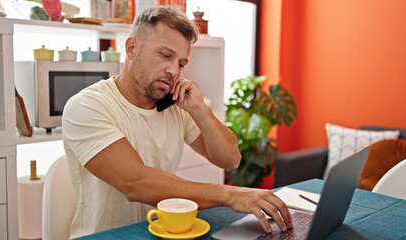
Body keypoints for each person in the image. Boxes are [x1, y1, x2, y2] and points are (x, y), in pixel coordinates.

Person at [62, 6, 293, 238]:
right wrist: (230, 195)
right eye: (165, 55)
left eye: (181, 63)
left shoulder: (174, 106)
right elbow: (135, 183)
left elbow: (230, 159)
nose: (174, 70)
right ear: (132, 48)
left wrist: (200, 110)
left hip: (164, 232)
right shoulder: (87, 106)